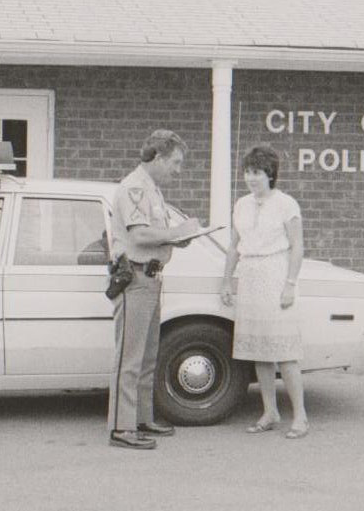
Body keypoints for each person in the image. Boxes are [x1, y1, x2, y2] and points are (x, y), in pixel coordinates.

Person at [108, 129, 203, 450]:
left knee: (148, 356)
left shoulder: (151, 189)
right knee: (130, 358)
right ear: (159, 157)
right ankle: (122, 427)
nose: (178, 170)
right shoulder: (135, 187)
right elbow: (140, 236)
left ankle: (141, 418)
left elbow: (156, 234)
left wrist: (178, 237)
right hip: (134, 277)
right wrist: (177, 231)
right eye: (175, 162)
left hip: (150, 276)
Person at [220, 145, 308, 439]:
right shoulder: (241, 205)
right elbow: (234, 246)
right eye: (247, 172)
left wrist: (290, 285)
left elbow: (297, 246)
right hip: (250, 277)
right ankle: (270, 411)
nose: (251, 178)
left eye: (256, 172)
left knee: (284, 352)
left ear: (270, 174)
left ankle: (301, 417)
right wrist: (226, 281)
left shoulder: (286, 204)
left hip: (275, 275)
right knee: (260, 351)